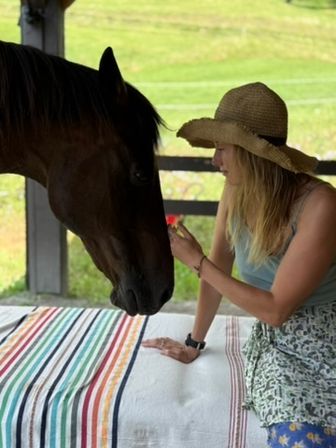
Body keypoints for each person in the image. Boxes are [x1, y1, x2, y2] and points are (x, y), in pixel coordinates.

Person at [142, 82, 336, 447]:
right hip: (280, 350)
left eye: (221, 149)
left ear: (250, 153)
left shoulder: (320, 205)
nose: (214, 160)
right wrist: (194, 342)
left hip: (327, 342)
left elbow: (277, 309)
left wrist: (197, 262)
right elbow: (219, 267)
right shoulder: (236, 191)